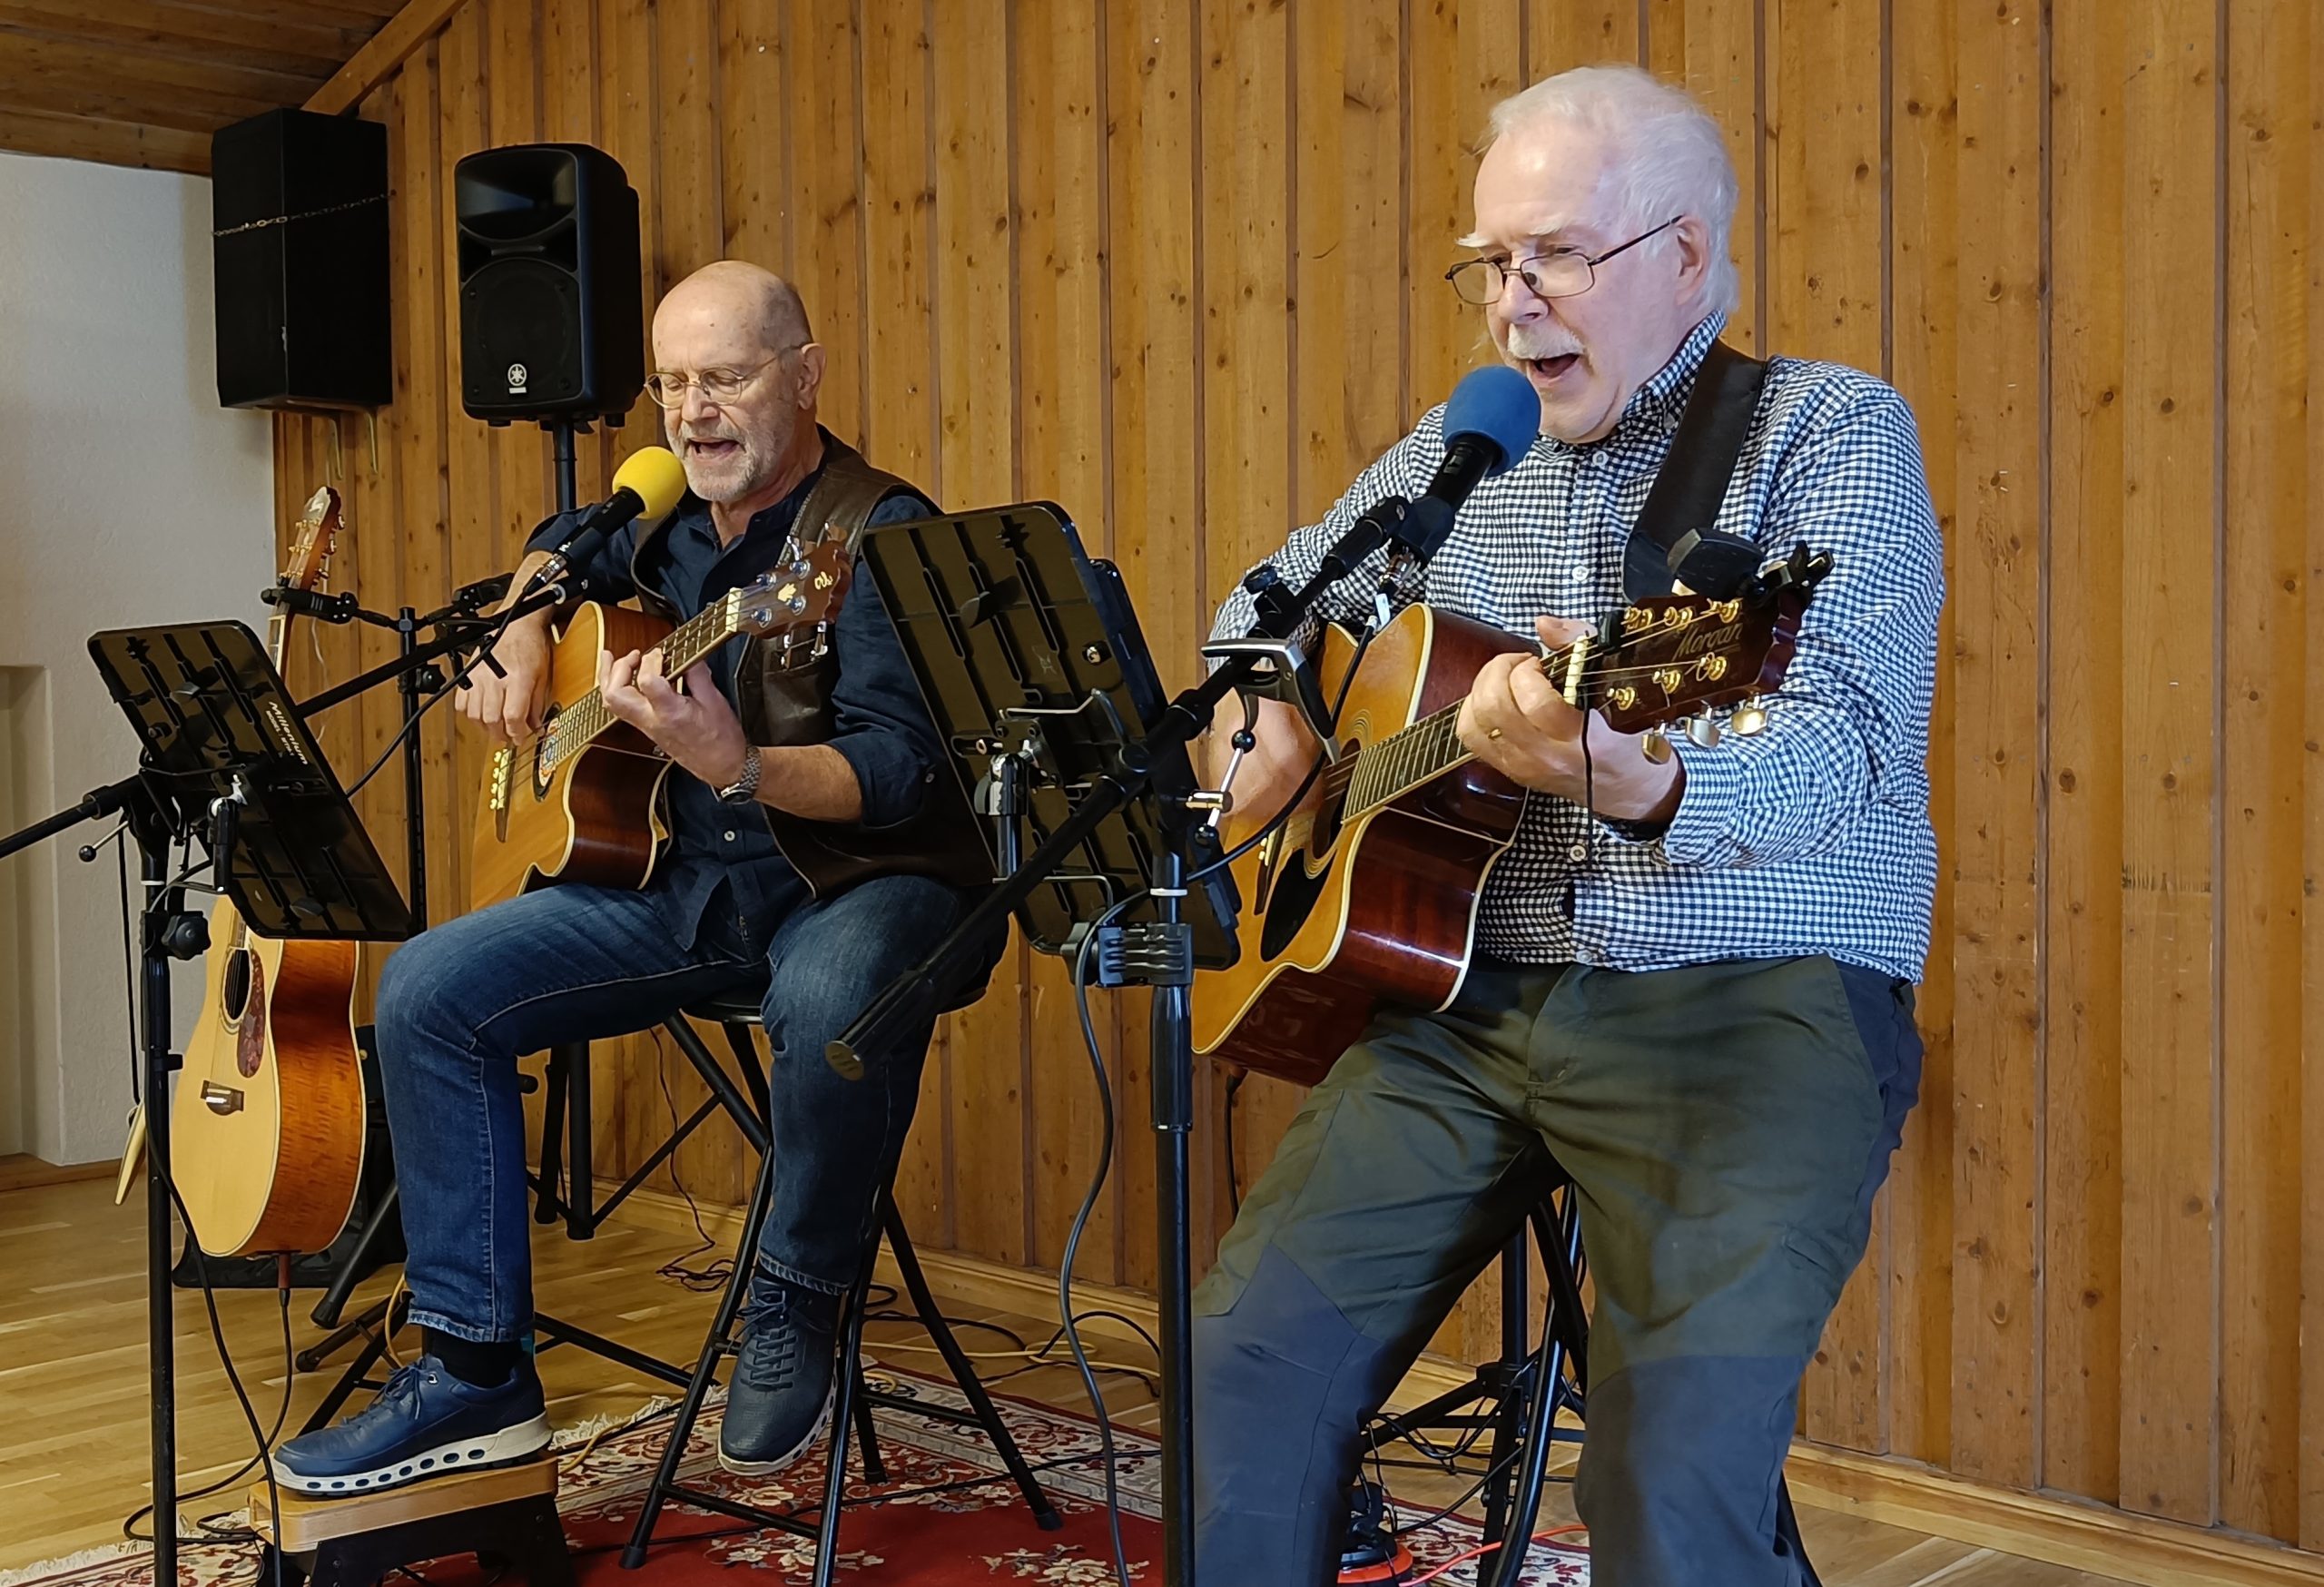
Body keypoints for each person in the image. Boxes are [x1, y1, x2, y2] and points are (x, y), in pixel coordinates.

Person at [1191, 65, 1941, 1586]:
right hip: (1460, 998)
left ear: (1686, 253)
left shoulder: (1830, 432)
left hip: (1756, 991)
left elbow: (1849, 743)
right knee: (1237, 1377)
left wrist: (1649, 778)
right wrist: (1256, 703)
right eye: (1491, 262)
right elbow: (1274, 603)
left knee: (1663, 1483)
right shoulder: (1461, 448)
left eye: (1556, 258)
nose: (1513, 303)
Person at [272, 261, 998, 1496]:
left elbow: (899, 773)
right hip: (687, 883)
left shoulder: (878, 533)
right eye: (671, 385)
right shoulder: (656, 521)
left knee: (829, 998)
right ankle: (475, 1371)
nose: (693, 411)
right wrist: (521, 629)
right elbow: (561, 548)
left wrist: (741, 759)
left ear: (807, 375)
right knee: (432, 989)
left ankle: (795, 1290)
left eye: (724, 377)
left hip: (871, 880)